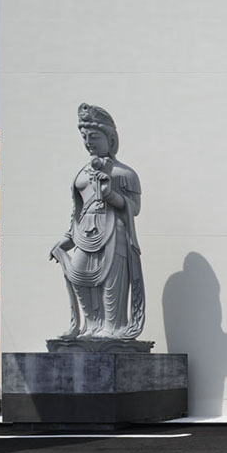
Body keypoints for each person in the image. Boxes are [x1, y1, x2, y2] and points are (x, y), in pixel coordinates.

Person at [50, 103, 145, 340]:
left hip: (114, 231)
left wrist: (110, 194)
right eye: (84, 137)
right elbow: (77, 211)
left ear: (110, 139)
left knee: (112, 283)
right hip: (85, 231)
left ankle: (112, 327)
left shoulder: (125, 173)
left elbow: (134, 208)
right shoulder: (82, 173)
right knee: (78, 276)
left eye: (94, 136)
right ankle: (91, 325)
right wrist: (67, 239)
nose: (88, 142)